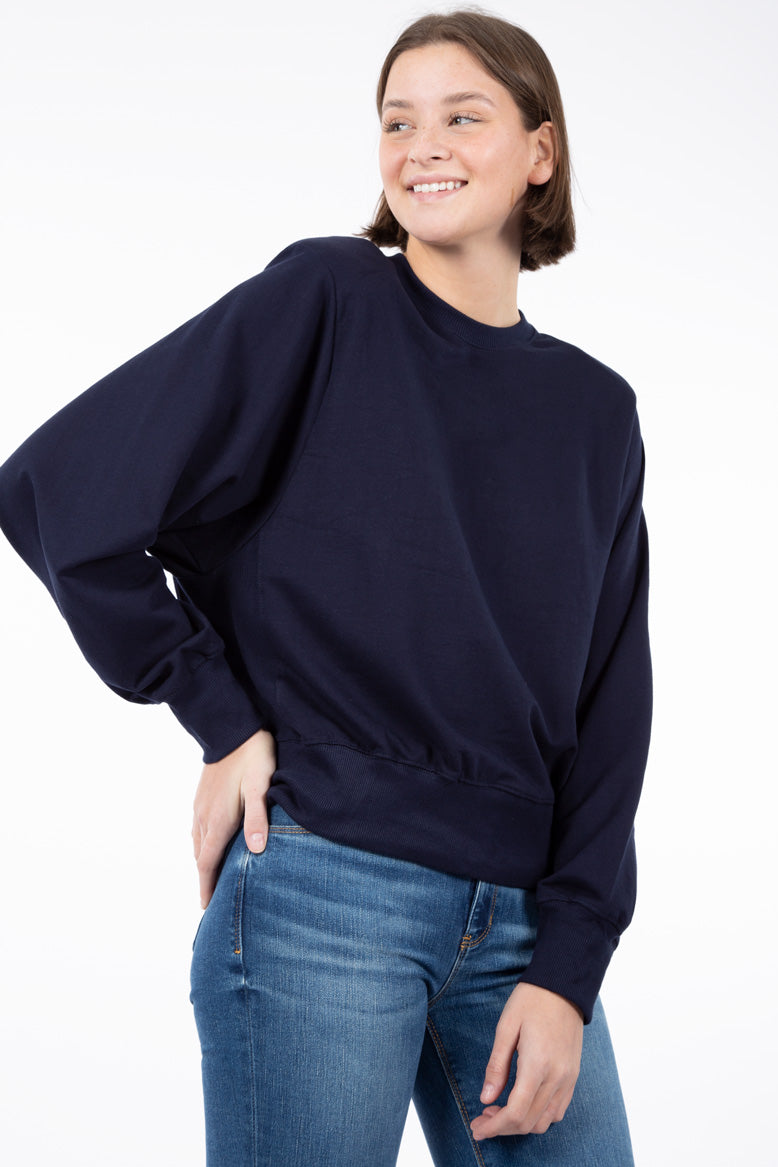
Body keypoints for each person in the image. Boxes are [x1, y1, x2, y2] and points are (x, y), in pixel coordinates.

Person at [0, 8, 651, 1165]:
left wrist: (570, 966)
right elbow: (60, 492)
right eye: (397, 122)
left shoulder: (595, 414)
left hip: (525, 926)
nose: (422, 146)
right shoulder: (330, 299)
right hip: (321, 892)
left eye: (463, 116)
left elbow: (611, 710)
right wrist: (220, 716)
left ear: (539, 152)